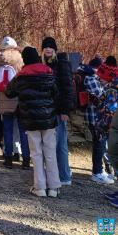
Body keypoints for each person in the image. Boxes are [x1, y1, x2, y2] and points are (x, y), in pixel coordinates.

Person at [6, 46, 61, 197]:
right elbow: (56, 94)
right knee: (50, 152)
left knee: (36, 153)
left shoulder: (21, 76)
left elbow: (9, 92)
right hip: (48, 119)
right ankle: (54, 188)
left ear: (24, 59)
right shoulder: (48, 72)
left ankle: (40, 187)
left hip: (30, 119)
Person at [0, 36, 30, 169]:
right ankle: (26, 160)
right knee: (23, 131)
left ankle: (8, 159)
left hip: (4, 99)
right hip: (20, 100)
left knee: (7, 130)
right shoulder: (21, 59)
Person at [41, 36, 76, 186]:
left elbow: (68, 88)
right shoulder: (41, 64)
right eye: (46, 47)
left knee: (61, 143)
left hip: (59, 109)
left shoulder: (62, 63)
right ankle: (52, 174)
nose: (48, 49)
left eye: (51, 47)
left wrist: (65, 110)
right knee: (48, 144)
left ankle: (64, 176)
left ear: (55, 49)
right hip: (47, 109)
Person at [81, 57, 115, 184]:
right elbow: (101, 96)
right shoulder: (90, 79)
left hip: (99, 117)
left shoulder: (95, 79)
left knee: (100, 144)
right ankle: (97, 172)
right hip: (94, 117)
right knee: (99, 144)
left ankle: (100, 170)